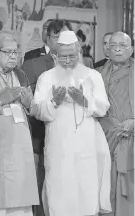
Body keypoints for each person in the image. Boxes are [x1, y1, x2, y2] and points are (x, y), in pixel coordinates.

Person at [30, 30, 112, 216]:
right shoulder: (46, 77)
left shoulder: (93, 76)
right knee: (59, 190)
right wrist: (54, 102)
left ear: (79, 54)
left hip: (88, 143)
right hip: (58, 144)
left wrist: (83, 100)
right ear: (55, 55)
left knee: (86, 188)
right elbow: (37, 111)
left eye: (72, 56)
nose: (67, 61)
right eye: (63, 57)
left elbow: (103, 108)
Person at [21, 19, 72, 216]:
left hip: (72, 134)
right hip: (41, 132)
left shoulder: (83, 64)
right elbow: (30, 101)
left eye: (66, 36)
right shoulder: (33, 64)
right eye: (57, 36)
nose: (61, 41)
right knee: (42, 181)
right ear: (48, 38)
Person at [0, 33, 39, 216]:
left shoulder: (21, 73)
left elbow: (32, 108)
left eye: (16, 52)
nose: (13, 56)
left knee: (22, 193)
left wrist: (27, 103)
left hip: (22, 141)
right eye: (8, 52)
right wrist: (0, 99)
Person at [98, 31, 134, 216]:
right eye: (114, 46)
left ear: (132, 49)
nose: (118, 49)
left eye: (123, 46)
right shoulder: (96, 75)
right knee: (107, 188)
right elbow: (94, 109)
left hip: (132, 140)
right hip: (106, 139)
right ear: (107, 50)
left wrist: (134, 122)